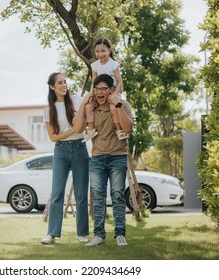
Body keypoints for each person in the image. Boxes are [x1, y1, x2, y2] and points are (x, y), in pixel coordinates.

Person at [73, 74, 133, 246]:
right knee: (98, 197)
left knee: (117, 195)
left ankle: (120, 234)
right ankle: (98, 235)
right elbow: (77, 128)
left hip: (118, 156)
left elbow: (128, 129)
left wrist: (118, 105)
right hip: (98, 158)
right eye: (97, 89)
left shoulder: (123, 104)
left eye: (103, 89)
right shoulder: (90, 108)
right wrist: (84, 103)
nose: (99, 92)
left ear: (111, 90)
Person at [41, 72, 90, 245]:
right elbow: (54, 137)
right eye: (59, 82)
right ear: (52, 87)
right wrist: (74, 129)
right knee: (57, 193)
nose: (63, 85)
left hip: (80, 149)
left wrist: (79, 128)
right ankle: (52, 234)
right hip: (60, 152)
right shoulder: (49, 109)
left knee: (81, 194)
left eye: (65, 82)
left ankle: (82, 233)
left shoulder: (77, 100)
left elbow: (85, 123)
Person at [83, 38, 128, 142]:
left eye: (103, 51)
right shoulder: (94, 65)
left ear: (109, 50)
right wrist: (92, 92)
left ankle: (119, 130)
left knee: (113, 108)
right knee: (88, 106)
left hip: (113, 90)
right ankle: (91, 129)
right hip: (99, 91)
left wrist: (115, 94)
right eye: (97, 51)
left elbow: (120, 81)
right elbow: (94, 81)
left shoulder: (114, 65)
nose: (100, 54)